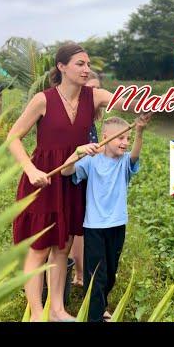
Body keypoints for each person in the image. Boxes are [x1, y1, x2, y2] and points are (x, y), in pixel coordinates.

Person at [7, 42, 134, 322]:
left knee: (62, 247)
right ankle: (38, 313)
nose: (86, 69)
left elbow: (128, 103)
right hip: (44, 179)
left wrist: (166, 102)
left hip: (73, 180)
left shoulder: (94, 96)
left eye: (88, 64)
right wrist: (29, 170)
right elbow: (12, 137)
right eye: (80, 64)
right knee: (39, 248)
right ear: (62, 67)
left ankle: (57, 310)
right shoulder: (43, 99)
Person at [61, 115, 148, 322]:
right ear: (106, 137)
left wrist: (139, 133)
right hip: (95, 227)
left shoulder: (124, 162)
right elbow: (65, 171)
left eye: (127, 138)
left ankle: (99, 306)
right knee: (96, 274)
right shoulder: (91, 162)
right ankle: (94, 316)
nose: (125, 143)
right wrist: (77, 152)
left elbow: (135, 155)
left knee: (110, 273)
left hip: (118, 225)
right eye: (121, 138)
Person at [70, 71, 102, 288]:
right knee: (78, 227)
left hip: (88, 175)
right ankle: (79, 275)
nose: (94, 94)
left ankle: (80, 273)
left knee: (81, 226)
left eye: (97, 89)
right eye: (90, 89)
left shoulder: (93, 116)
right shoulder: (74, 116)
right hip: (74, 175)